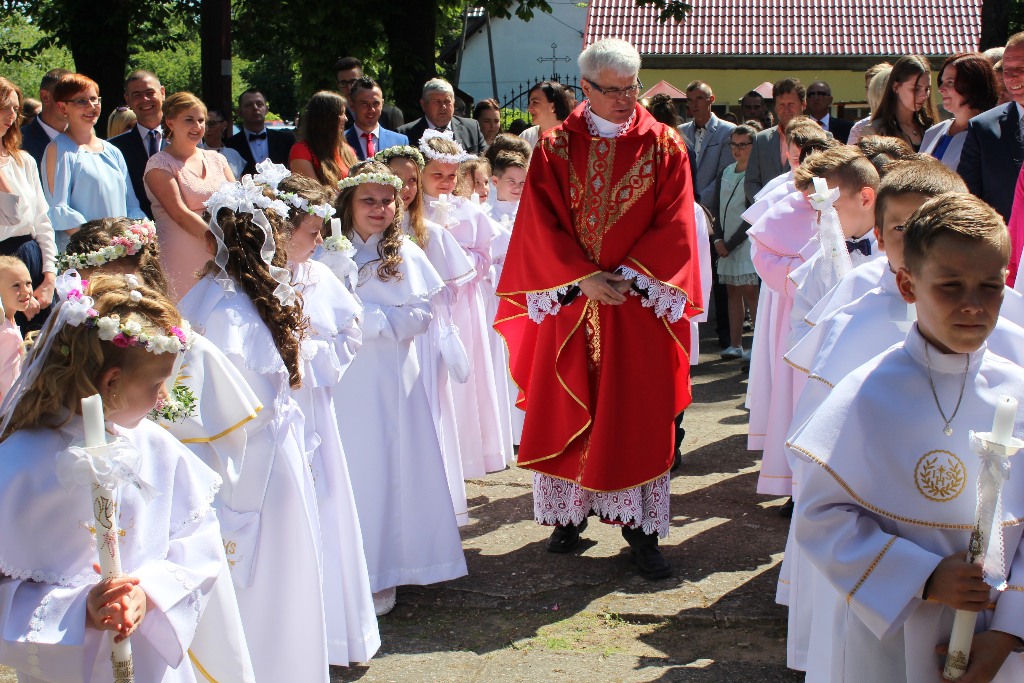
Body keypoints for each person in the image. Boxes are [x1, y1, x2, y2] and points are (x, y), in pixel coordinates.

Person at [790, 193, 1024, 683]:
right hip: (894, 628)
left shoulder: (1017, 389)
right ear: (907, 284)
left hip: (1000, 638)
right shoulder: (866, 393)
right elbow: (820, 517)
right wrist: (926, 576)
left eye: (990, 287)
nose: (973, 306)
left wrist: (1007, 632)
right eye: (951, 286)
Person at [495, 38, 702, 579]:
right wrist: (582, 276)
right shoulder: (555, 146)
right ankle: (571, 515)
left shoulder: (665, 145)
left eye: (631, 88)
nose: (625, 100)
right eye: (612, 91)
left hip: (635, 304)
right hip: (575, 300)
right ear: (585, 87)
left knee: (636, 410)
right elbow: (538, 221)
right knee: (569, 402)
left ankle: (642, 531)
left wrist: (630, 277)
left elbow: (676, 222)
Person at [0, 273, 233, 683]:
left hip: (147, 655)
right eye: (158, 384)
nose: (164, 399)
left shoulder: (157, 448)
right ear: (112, 382)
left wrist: (150, 593)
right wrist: (79, 610)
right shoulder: (19, 463)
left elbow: (199, 540)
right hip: (69, 665)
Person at [179, 178, 331, 683]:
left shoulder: (202, 298)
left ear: (210, 242)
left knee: (252, 577)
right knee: (270, 577)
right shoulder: (240, 307)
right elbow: (258, 405)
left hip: (228, 456)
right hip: (258, 459)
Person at [329, 160, 467, 615]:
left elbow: (422, 315)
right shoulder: (327, 252)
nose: (380, 208)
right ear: (348, 203)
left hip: (391, 376)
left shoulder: (405, 251)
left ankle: (392, 567)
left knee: (393, 463)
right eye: (368, 200)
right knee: (351, 466)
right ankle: (352, 568)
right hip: (344, 381)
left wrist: (365, 321)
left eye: (387, 200)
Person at [267, 170, 380, 663]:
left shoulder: (318, 277)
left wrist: (307, 354)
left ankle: (335, 631)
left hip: (313, 408)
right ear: (279, 230)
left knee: (327, 505)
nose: (320, 241)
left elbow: (348, 333)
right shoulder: (246, 282)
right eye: (312, 232)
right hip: (270, 417)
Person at [378, 144, 477, 525]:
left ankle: (431, 507)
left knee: (426, 416)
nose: (404, 190)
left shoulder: (430, 233)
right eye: (395, 181)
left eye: (411, 182)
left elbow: (450, 289)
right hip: (384, 340)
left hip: (424, 337)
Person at [420, 132, 511, 478]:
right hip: (430, 303)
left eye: (450, 176)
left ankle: (471, 452)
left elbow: (488, 255)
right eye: (436, 175)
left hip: (464, 303)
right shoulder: (411, 208)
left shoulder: (468, 211)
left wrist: (461, 262)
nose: (444, 183)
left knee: (466, 375)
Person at [786, 147, 883, 353]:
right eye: (818, 210)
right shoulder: (822, 264)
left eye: (832, 208)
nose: (822, 220)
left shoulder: (899, 258)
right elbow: (799, 327)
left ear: (865, 198)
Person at [144, 92, 235, 303]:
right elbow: (179, 213)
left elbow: (236, 201)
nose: (197, 126)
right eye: (189, 120)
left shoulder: (217, 159)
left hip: (222, 253)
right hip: (182, 256)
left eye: (201, 120)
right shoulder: (160, 164)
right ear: (171, 123)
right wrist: (217, 241)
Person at [42, 73, 145, 252]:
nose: (91, 106)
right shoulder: (59, 150)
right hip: (86, 253)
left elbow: (131, 206)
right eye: (81, 101)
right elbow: (59, 209)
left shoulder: (113, 151)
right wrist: (102, 245)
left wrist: (137, 236)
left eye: (94, 99)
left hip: (120, 252)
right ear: (62, 106)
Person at [0, 77, 57, 333]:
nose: (11, 115)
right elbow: (12, 215)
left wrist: (49, 277)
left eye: (15, 108)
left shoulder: (23, 161)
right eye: (3, 107)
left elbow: (42, 221)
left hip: (32, 258)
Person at [959, 32, 1024, 226]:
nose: (1011, 76)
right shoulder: (983, 128)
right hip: (1005, 249)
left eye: (1020, 68)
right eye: (1006, 69)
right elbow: (968, 198)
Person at [709, 124, 759, 360]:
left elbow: (752, 215)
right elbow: (717, 207)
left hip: (745, 242)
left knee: (751, 291)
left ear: (753, 146)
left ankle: (758, 345)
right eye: (734, 145)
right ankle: (735, 344)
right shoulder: (726, 171)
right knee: (732, 291)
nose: (737, 149)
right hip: (725, 243)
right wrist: (718, 238)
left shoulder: (756, 175)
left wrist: (729, 244)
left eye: (743, 144)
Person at [920, 54, 998, 171]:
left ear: (973, 86)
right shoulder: (933, 132)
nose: (940, 88)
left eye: (950, 82)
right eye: (942, 81)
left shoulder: (989, 137)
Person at [109, 70, 167, 220]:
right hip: (137, 235)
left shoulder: (185, 140)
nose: (145, 99)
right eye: (137, 95)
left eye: (150, 92)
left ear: (162, 92)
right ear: (127, 100)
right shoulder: (114, 148)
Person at [745, 78, 808, 203]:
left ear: (804, 104)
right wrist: (765, 207)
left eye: (791, 104)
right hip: (767, 215)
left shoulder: (822, 138)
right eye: (781, 105)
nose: (786, 110)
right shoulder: (761, 139)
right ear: (775, 107)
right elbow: (751, 182)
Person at [860, 55, 938, 151]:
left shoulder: (931, 128)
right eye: (916, 89)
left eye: (927, 89)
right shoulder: (874, 132)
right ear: (896, 87)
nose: (924, 96)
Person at [398, 78, 486, 153]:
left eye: (447, 101)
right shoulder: (405, 135)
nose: (443, 106)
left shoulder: (471, 128)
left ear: (453, 103)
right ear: (424, 104)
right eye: (437, 102)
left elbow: (485, 162)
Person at [290, 90, 357, 188]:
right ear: (326, 118)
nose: (346, 118)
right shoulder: (301, 150)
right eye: (341, 113)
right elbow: (314, 194)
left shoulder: (346, 149)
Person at [226, 88, 296, 177]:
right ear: (239, 112)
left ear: (266, 110)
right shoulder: (230, 145)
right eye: (248, 105)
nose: (255, 108)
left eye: (259, 104)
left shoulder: (286, 140)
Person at [344, 76, 409, 161]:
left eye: (376, 103)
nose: (371, 109)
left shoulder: (400, 141)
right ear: (352, 106)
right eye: (364, 104)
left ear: (382, 104)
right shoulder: (341, 141)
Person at [335, 56, 404, 131]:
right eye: (343, 83)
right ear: (338, 85)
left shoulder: (389, 114)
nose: (349, 87)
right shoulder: (336, 117)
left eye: (353, 81)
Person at [18, 68, 69, 165]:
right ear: (45, 97)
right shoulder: (18, 141)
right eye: (66, 96)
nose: (73, 103)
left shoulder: (84, 138)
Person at [0, 256, 30, 398]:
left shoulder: (9, 323)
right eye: (16, 285)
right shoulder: (6, 333)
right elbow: (9, 385)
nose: (26, 291)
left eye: (28, 283)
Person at [519, 81, 574, 149]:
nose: (529, 108)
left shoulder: (574, 138)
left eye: (535, 102)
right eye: (529, 103)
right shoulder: (526, 136)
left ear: (553, 106)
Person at [848, 64, 893, 145]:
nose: (870, 95)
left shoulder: (910, 124)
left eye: (876, 88)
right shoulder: (859, 128)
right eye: (867, 89)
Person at [201, 107, 246, 178]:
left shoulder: (233, 154)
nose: (207, 129)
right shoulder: (197, 154)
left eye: (212, 123)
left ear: (224, 125)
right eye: (204, 124)